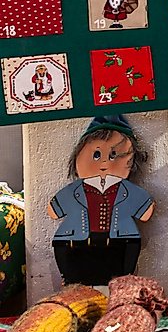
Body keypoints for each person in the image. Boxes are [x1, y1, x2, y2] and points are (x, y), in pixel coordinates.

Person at [49, 115, 153, 286]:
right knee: (76, 285)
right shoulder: (74, 191)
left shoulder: (128, 191)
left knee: (118, 281)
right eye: (96, 155)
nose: (104, 161)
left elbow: (146, 213)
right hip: (76, 243)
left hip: (119, 242)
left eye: (113, 155)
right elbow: (53, 211)